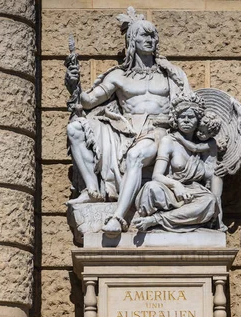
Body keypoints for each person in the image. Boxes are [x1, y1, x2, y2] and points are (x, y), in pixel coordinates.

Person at [64, 8, 191, 235]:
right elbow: (88, 101)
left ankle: (118, 218)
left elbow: (186, 105)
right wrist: (74, 85)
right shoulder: (118, 76)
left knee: (135, 156)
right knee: (75, 128)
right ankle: (94, 190)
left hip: (158, 130)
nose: (149, 40)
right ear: (132, 40)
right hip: (126, 130)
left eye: (152, 35)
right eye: (143, 35)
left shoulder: (169, 74)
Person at [132, 94, 223, 232]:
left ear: (198, 120)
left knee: (209, 201)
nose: (186, 120)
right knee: (151, 188)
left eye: (191, 117)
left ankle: (156, 220)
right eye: (182, 117)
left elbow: (211, 176)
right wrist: (176, 185)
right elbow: (157, 176)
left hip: (193, 193)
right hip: (168, 189)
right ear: (176, 119)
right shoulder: (168, 141)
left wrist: (220, 167)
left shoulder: (205, 145)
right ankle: (172, 218)